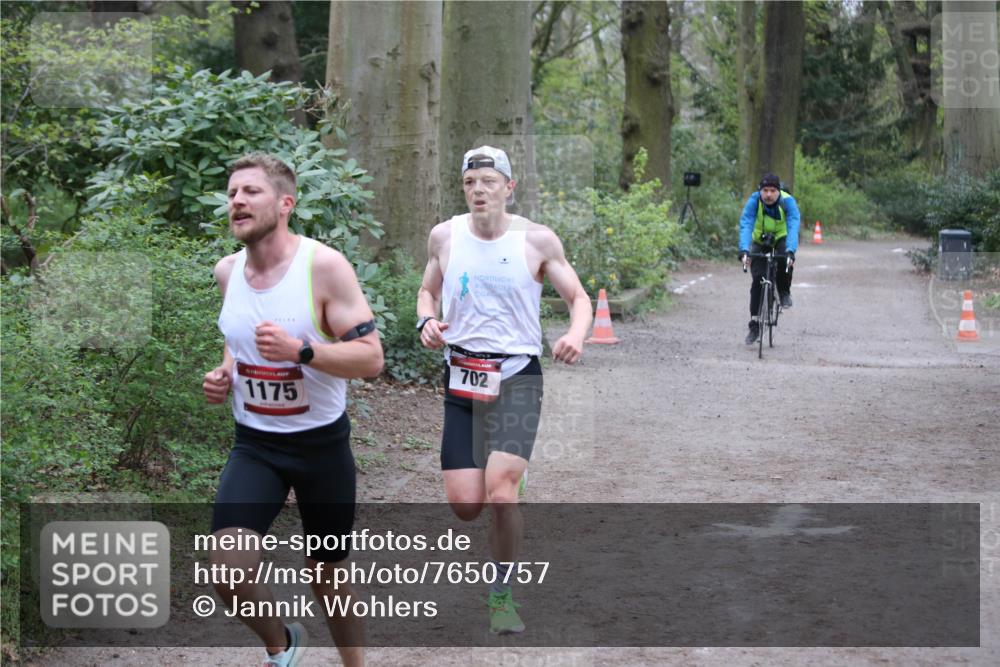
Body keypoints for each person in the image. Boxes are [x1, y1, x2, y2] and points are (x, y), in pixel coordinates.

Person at [202, 153, 383, 667]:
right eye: (233, 191)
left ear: (285, 204)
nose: (237, 200)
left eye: (251, 192)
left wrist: (304, 352)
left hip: (320, 447)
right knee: (227, 570)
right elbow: (237, 342)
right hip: (256, 446)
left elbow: (372, 359)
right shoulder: (227, 272)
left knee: (328, 575)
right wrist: (226, 374)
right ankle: (283, 643)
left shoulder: (322, 267)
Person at [416, 146, 592, 634]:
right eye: (471, 182)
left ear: (509, 187)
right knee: (466, 504)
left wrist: (575, 334)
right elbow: (427, 290)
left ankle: (501, 594)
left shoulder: (535, 241)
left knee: (500, 494)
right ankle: (506, 480)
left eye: (489, 181)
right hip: (461, 379)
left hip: (517, 376)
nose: (479, 190)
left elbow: (578, 298)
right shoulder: (444, 236)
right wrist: (426, 321)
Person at [738, 172, 800, 345]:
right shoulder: (754, 201)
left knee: (784, 261)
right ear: (760, 191)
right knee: (757, 279)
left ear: (778, 191)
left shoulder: (787, 202)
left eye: (773, 190)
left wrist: (790, 251)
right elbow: (746, 224)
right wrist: (743, 250)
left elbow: (794, 226)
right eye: (765, 190)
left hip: (782, 238)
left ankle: (784, 291)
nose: (769, 194)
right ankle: (755, 324)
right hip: (760, 239)